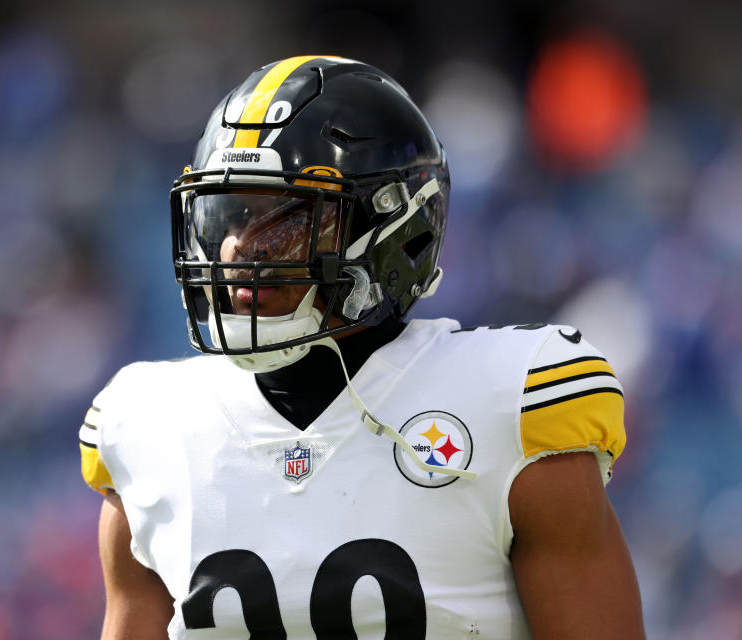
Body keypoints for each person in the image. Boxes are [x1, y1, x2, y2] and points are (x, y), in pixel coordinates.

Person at [79, 55, 645, 639]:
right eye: (231, 215)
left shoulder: (512, 406)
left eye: (288, 219)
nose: (237, 249)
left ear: (400, 230)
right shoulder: (146, 428)